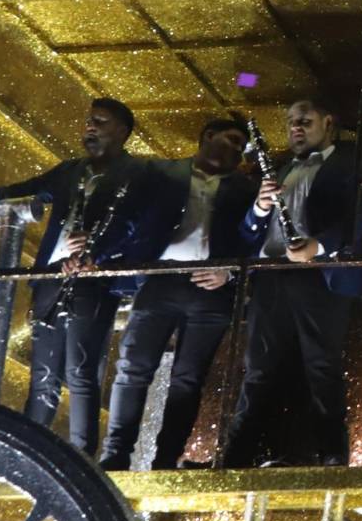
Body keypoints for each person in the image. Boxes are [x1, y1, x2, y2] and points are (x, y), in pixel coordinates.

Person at [0, 98, 145, 456]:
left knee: (81, 372)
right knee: (42, 374)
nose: (90, 127)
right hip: (53, 275)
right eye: (89, 121)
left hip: (96, 277)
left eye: (100, 121)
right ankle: (29, 452)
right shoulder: (71, 170)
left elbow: (138, 226)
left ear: (122, 131)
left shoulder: (138, 173)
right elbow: (32, 187)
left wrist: (99, 252)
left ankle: (82, 458)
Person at [97, 117, 256, 471]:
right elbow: (126, 217)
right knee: (133, 367)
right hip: (162, 277)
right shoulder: (161, 172)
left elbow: (254, 238)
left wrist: (230, 271)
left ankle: (166, 461)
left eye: (240, 146)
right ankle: (115, 457)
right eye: (231, 140)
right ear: (208, 135)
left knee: (189, 378)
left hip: (212, 288)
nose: (235, 149)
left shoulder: (245, 189)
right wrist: (98, 255)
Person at [223, 99, 362, 467]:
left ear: (329, 122)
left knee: (321, 367)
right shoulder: (281, 169)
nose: (295, 128)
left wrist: (317, 247)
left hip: (320, 276)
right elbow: (247, 234)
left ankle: (332, 457)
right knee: (258, 368)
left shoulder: (351, 163)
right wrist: (259, 207)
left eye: (305, 121)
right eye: (290, 122)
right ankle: (237, 456)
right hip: (271, 276)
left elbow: (361, 216)